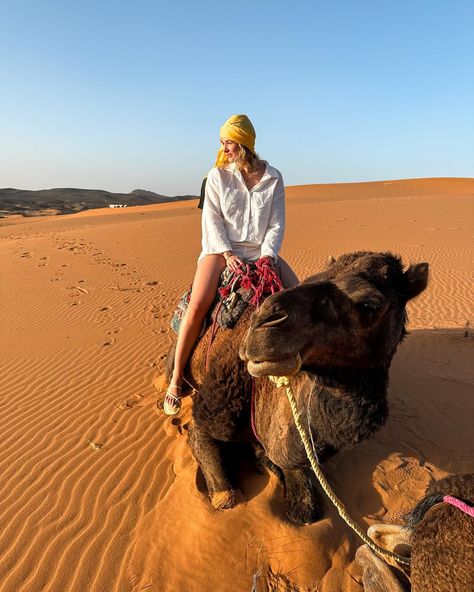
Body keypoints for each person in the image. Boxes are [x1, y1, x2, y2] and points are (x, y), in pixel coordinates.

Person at [164, 114, 299, 415]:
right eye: (222, 142)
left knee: (300, 296)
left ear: (245, 143)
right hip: (220, 250)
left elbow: (277, 223)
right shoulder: (218, 176)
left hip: (263, 252)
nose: (225, 148)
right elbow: (211, 219)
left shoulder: (274, 177)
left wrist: (267, 256)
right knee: (198, 304)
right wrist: (226, 254)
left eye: (229, 142)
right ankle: (175, 379)